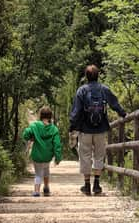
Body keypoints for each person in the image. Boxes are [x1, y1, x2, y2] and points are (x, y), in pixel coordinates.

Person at [69, 64, 126, 195]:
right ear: (98, 75)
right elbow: (114, 104)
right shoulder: (104, 89)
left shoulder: (81, 91)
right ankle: (97, 184)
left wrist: (72, 125)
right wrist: (123, 114)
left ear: (86, 76)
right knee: (99, 156)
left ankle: (87, 185)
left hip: (84, 130)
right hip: (101, 129)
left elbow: (76, 111)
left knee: (85, 156)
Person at [22, 106, 63, 197]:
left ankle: (36, 191)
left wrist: (31, 136)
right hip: (47, 156)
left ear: (40, 115)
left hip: (37, 155)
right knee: (46, 169)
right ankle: (46, 187)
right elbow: (57, 144)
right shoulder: (54, 129)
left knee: (38, 174)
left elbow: (25, 135)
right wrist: (58, 157)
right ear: (50, 116)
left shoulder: (34, 126)